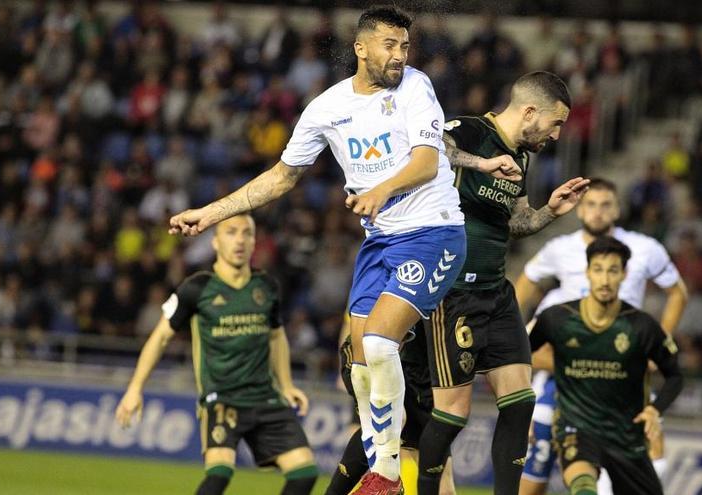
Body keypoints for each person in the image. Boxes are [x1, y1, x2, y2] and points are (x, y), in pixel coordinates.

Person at [167, 7, 519, 494]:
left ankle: (388, 473)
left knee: (377, 342)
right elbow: (282, 176)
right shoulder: (327, 108)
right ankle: (382, 461)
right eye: (389, 46)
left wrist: (380, 192)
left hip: (434, 233)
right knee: (357, 362)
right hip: (380, 243)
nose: (399, 56)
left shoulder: (415, 86)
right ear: (361, 48)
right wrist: (211, 214)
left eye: (404, 46)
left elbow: (425, 160)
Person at [416, 71, 590, 495]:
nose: (556, 134)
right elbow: (430, 149)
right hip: (452, 291)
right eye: (555, 122)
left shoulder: (522, 157)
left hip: (496, 292)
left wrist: (551, 210)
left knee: (520, 402)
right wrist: (481, 162)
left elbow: (516, 223)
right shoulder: (470, 130)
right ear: (530, 111)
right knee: (453, 414)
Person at [115, 214, 317, 495]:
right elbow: (160, 337)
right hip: (222, 399)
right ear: (215, 241)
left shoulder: (266, 287)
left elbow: (276, 335)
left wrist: (286, 385)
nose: (240, 240)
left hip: (264, 396)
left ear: (254, 242)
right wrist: (135, 388)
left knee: (304, 474)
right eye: (231, 232)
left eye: (247, 233)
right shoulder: (197, 288)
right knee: (219, 475)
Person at [514, 178, 687, 495]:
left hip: (622, 364)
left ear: (618, 209)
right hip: (565, 361)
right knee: (538, 466)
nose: (597, 212)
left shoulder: (644, 249)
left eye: (605, 204)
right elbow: (523, 290)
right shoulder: (560, 252)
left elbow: (678, 294)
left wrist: (659, 342)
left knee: (650, 444)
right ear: (580, 210)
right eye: (591, 204)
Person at [327, 317, 456, 495]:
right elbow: (354, 317)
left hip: (426, 384)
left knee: (445, 489)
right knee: (384, 425)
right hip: (382, 365)